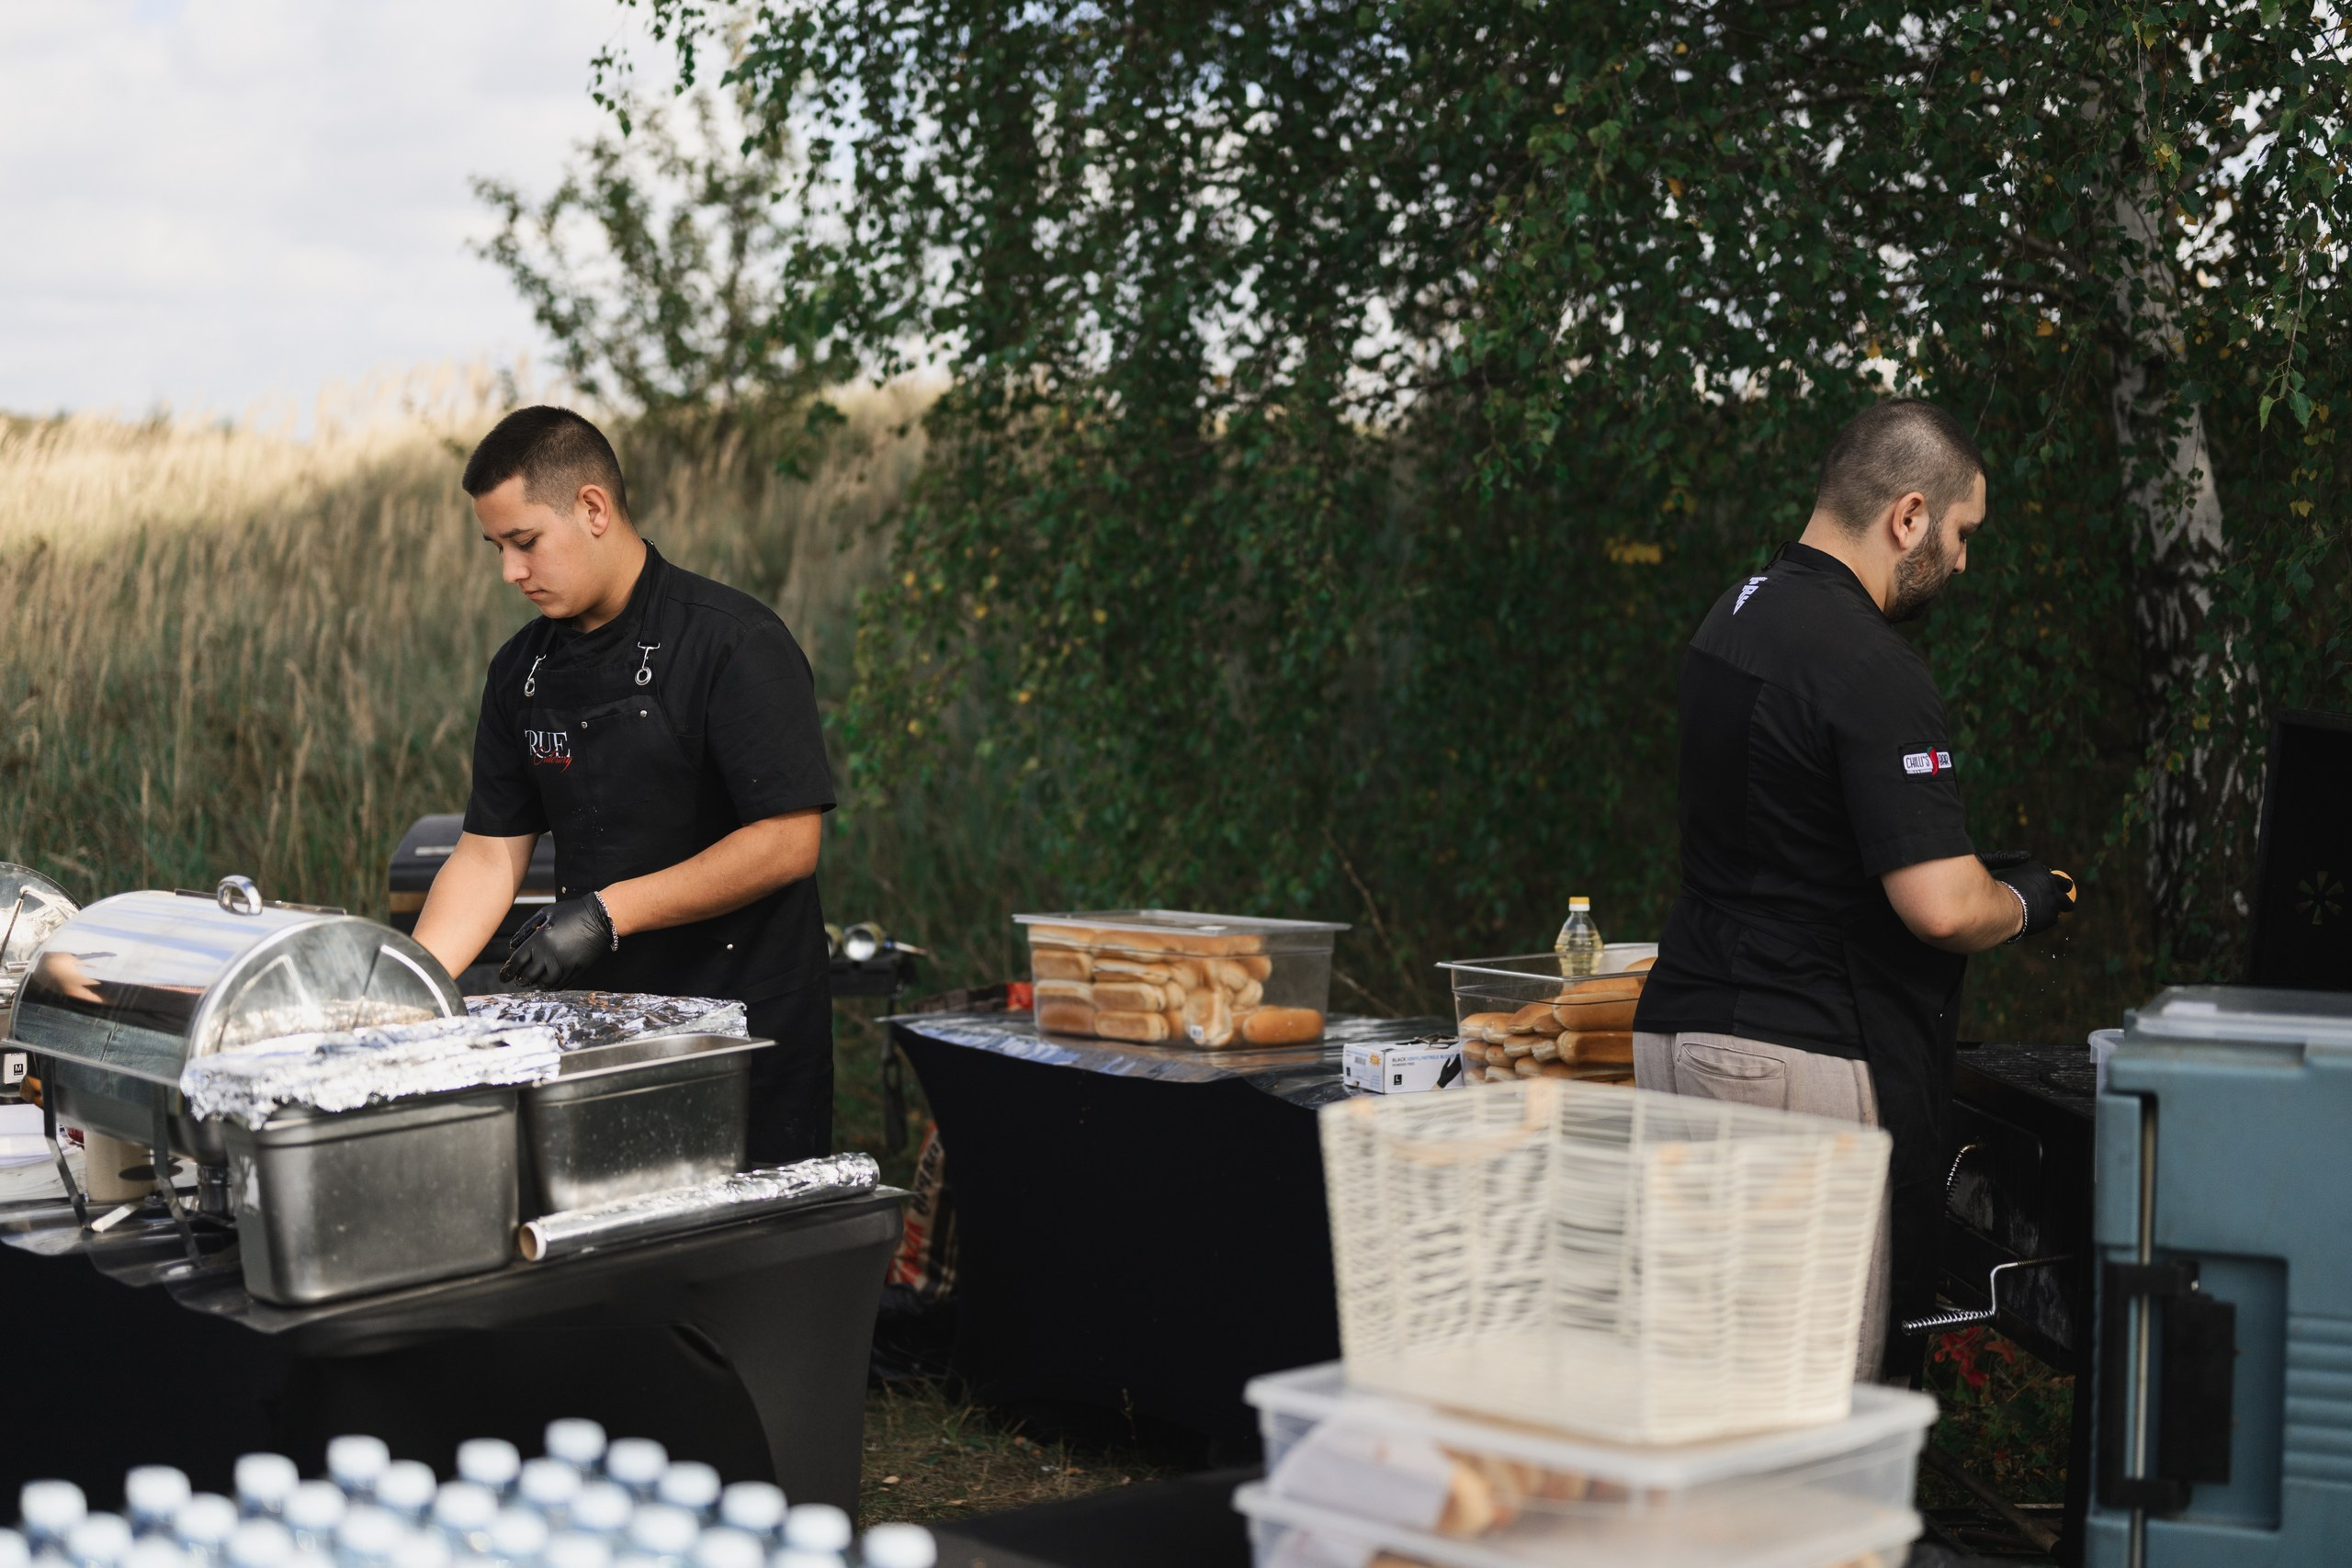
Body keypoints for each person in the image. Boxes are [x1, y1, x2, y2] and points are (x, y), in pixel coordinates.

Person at [1629, 399, 2076, 1380]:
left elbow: (1794, 836)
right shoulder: (1871, 666)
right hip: (1793, 1058)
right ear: (1908, 516)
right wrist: (2028, 899)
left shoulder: (1734, 615)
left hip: (1681, 1032)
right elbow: (1942, 906)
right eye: (1960, 534)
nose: (1962, 562)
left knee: (1709, 1381)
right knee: (1811, 1394)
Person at [413, 406, 838, 1164]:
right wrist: (409, 992)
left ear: (593, 508)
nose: (510, 572)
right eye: (497, 548)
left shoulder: (733, 641)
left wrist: (608, 912)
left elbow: (788, 841)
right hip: (607, 1037)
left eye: (524, 542)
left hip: (746, 1031)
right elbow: (487, 857)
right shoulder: (521, 671)